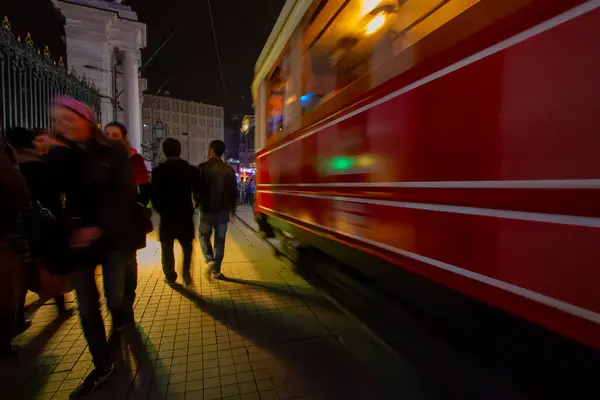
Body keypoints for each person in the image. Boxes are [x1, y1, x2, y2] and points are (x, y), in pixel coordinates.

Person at [47, 97, 136, 399]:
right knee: (87, 305)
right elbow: (54, 195)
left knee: (114, 296)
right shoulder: (63, 155)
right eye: (57, 120)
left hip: (113, 238)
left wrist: (97, 226)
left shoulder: (112, 153)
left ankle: (120, 321)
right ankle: (103, 364)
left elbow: (125, 194)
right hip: (79, 241)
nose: (62, 125)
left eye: (68, 118)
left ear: (86, 119)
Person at [5, 127, 72, 325]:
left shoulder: (14, 164)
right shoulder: (40, 164)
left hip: (20, 223)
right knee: (50, 261)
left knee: (24, 267)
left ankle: (18, 315)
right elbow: (56, 191)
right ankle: (58, 300)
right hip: (45, 219)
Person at [104, 122, 151, 321]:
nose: (110, 138)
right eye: (107, 134)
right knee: (112, 276)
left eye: (115, 134)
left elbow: (146, 192)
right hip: (105, 227)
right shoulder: (97, 160)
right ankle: (117, 311)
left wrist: (137, 207)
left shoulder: (135, 161)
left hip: (129, 225)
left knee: (129, 269)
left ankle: (127, 305)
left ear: (123, 137)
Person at [151, 138, 198, 286]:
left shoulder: (158, 171)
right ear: (180, 150)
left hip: (167, 216)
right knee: (187, 246)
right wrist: (194, 206)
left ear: (164, 152)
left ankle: (170, 275)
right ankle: (186, 272)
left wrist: (161, 210)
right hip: (185, 214)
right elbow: (198, 191)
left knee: (166, 247)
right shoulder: (190, 169)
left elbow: (154, 196)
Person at [0, 138, 30, 361]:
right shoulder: (5, 155)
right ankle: (4, 344)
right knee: (7, 291)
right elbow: (19, 193)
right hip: (6, 237)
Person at [196, 140, 237, 281]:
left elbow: (196, 189)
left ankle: (209, 260)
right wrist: (233, 208)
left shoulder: (201, 168)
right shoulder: (229, 170)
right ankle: (217, 270)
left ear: (212, 150)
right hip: (223, 211)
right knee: (220, 241)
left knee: (203, 236)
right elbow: (233, 192)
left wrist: (197, 203)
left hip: (206, 210)